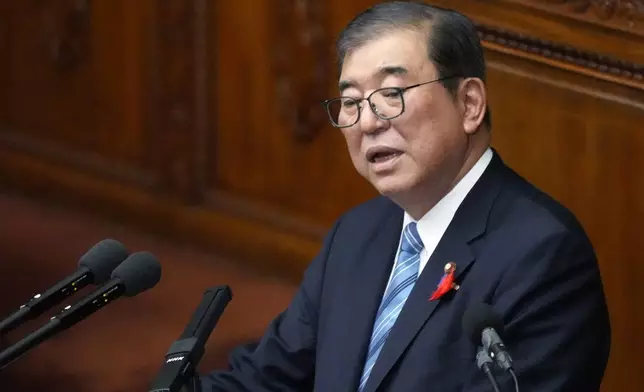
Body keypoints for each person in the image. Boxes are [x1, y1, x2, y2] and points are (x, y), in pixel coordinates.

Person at [200, 2, 611, 391]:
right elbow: (268, 378)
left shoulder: (543, 254)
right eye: (350, 102)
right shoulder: (358, 232)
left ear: (469, 104)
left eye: (391, 94)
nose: (368, 123)